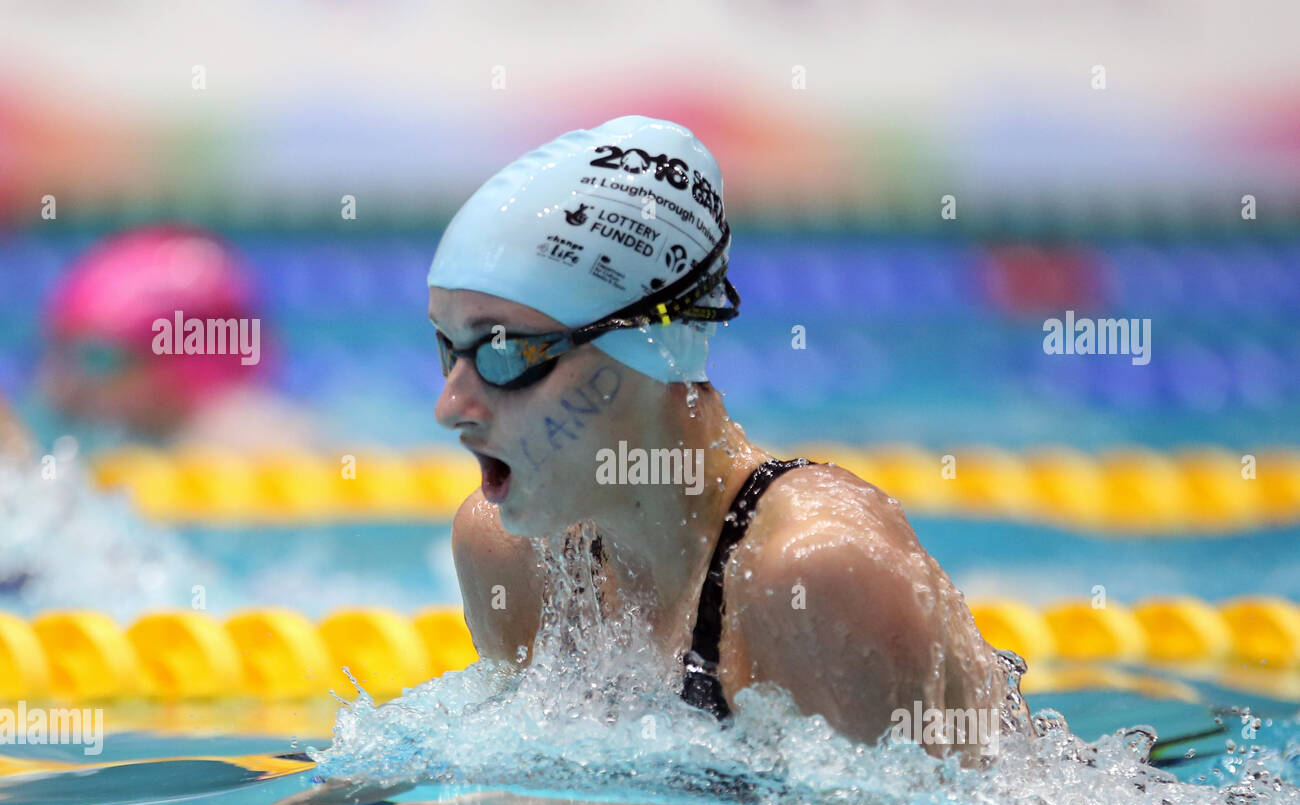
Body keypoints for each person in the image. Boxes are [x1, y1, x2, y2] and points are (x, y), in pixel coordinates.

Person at [429, 115, 1021, 758]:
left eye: (502, 351)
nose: (452, 405)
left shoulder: (815, 577)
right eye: (446, 347)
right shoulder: (509, 557)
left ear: (642, 347)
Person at [42, 224, 316, 449]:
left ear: (183, 363)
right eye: (60, 352)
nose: (64, 385)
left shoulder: (251, 447)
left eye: (97, 357)